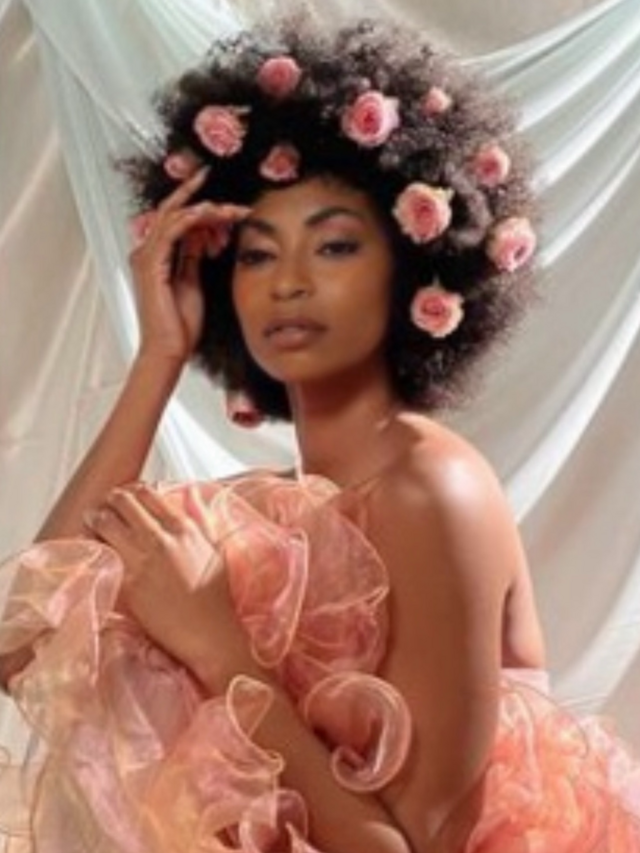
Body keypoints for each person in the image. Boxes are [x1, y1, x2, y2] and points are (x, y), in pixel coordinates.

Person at [1, 13, 639, 853]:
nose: (289, 283)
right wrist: (159, 355)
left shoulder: (432, 486)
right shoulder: (274, 514)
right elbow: (25, 640)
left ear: (414, 265)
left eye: (334, 247)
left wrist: (218, 645)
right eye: (257, 254)